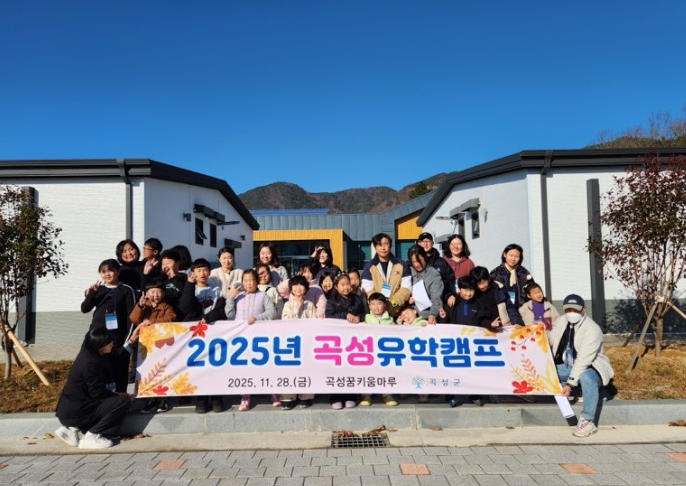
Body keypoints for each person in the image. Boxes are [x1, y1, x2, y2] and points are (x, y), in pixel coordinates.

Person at [54, 326, 141, 449]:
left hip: (71, 410)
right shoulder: (90, 364)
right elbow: (97, 393)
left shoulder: (92, 352)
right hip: (76, 412)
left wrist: (132, 339)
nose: (112, 344)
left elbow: (118, 355)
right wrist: (120, 395)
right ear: (99, 345)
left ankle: (71, 429)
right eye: (108, 343)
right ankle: (92, 436)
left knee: (117, 400)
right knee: (122, 402)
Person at [550, 294, 614, 438]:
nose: (572, 313)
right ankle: (578, 390)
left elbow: (583, 360)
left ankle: (587, 420)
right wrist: (536, 333)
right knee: (546, 373)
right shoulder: (561, 321)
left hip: (592, 367)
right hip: (567, 365)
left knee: (586, 377)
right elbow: (550, 338)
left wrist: (570, 384)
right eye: (568, 310)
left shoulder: (592, 329)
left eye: (575, 310)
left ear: (584, 309)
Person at [225, 269, 278, 411]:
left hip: (260, 338)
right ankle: (245, 397)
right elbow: (229, 315)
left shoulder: (263, 295)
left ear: (257, 281)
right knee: (244, 368)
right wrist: (230, 298)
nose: (249, 283)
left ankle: (273, 393)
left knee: (266, 365)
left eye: (252, 280)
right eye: (246, 281)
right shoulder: (238, 296)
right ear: (242, 282)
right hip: (241, 339)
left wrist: (256, 318)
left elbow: (272, 311)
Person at [439, 275, 495, 408]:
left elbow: (482, 320)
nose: (468, 293)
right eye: (465, 290)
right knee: (452, 369)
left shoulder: (478, 303)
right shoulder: (453, 301)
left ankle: (475, 394)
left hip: (471, 343)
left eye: (471, 290)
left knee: (473, 369)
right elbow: (445, 321)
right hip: (454, 343)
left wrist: (490, 324)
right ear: (459, 289)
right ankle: (451, 396)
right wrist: (443, 316)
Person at [179, 258, 227, 414]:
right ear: (193, 272)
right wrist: (189, 284)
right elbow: (185, 307)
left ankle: (216, 397)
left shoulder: (216, 290)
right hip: (195, 336)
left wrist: (208, 317)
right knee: (198, 367)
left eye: (205, 270)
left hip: (213, 333)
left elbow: (221, 310)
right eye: (199, 270)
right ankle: (201, 398)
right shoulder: (189, 288)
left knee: (215, 366)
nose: (202, 273)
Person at [80, 259, 136, 393]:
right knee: (96, 366)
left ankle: (121, 396)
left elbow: (132, 316)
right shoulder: (98, 289)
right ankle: (96, 395)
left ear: (118, 271)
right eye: (103, 271)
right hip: (96, 336)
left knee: (120, 368)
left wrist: (128, 338)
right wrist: (92, 293)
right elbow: (84, 308)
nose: (107, 274)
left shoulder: (126, 290)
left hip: (117, 337)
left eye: (110, 270)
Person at [129, 280, 177, 414]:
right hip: (145, 346)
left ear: (163, 294)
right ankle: (150, 399)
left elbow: (171, 318)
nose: (155, 295)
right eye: (152, 292)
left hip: (161, 346)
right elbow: (134, 319)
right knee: (147, 373)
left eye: (158, 292)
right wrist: (140, 306)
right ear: (147, 293)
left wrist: (152, 322)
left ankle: (163, 399)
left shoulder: (167, 307)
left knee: (162, 372)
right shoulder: (144, 305)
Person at [325, 273, 364, 410]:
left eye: (348, 284)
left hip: (353, 341)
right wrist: (345, 315)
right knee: (337, 368)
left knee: (351, 367)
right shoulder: (332, 300)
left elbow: (364, 313)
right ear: (336, 287)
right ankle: (336, 396)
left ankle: (350, 395)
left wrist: (359, 317)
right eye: (342, 285)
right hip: (337, 341)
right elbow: (329, 316)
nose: (346, 287)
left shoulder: (357, 299)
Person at [280, 275, 316, 410]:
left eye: (301, 285)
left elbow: (314, 323)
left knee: (306, 369)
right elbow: (286, 322)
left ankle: (306, 396)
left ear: (305, 288)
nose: (298, 288)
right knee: (290, 369)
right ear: (291, 289)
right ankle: (288, 397)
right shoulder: (287, 305)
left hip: (306, 342)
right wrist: (297, 309)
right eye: (295, 285)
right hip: (291, 342)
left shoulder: (310, 305)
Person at [361, 233, 412, 318]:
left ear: (390, 245)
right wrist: (379, 304)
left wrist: (393, 303)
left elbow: (406, 288)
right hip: (376, 314)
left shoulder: (402, 265)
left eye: (386, 244)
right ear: (375, 247)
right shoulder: (369, 266)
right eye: (379, 245)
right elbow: (367, 289)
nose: (383, 248)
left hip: (398, 312)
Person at [407, 245, 444, 324]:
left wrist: (433, 314)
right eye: (414, 262)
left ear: (425, 257)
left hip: (424, 316)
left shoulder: (433, 274)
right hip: (407, 315)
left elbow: (436, 298)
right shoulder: (408, 271)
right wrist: (407, 299)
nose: (417, 264)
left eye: (419, 260)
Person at [490, 243, 534, 309]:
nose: (513, 259)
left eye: (517, 256)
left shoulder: (524, 272)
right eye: (511, 255)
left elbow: (532, 289)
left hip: (523, 308)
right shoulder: (496, 272)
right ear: (505, 254)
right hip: (503, 309)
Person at [416, 232, 453, 301]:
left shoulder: (442, 262)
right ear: (419, 243)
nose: (425, 244)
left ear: (432, 243)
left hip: (439, 301)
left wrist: (449, 295)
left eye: (428, 241)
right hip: (419, 301)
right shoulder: (414, 263)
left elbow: (450, 281)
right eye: (423, 241)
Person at [159, 249, 187, 317]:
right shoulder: (160, 280)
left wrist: (174, 278)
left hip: (181, 314)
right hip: (165, 314)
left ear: (178, 263)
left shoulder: (184, 278)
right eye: (163, 264)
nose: (165, 266)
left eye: (168, 263)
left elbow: (185, 293)